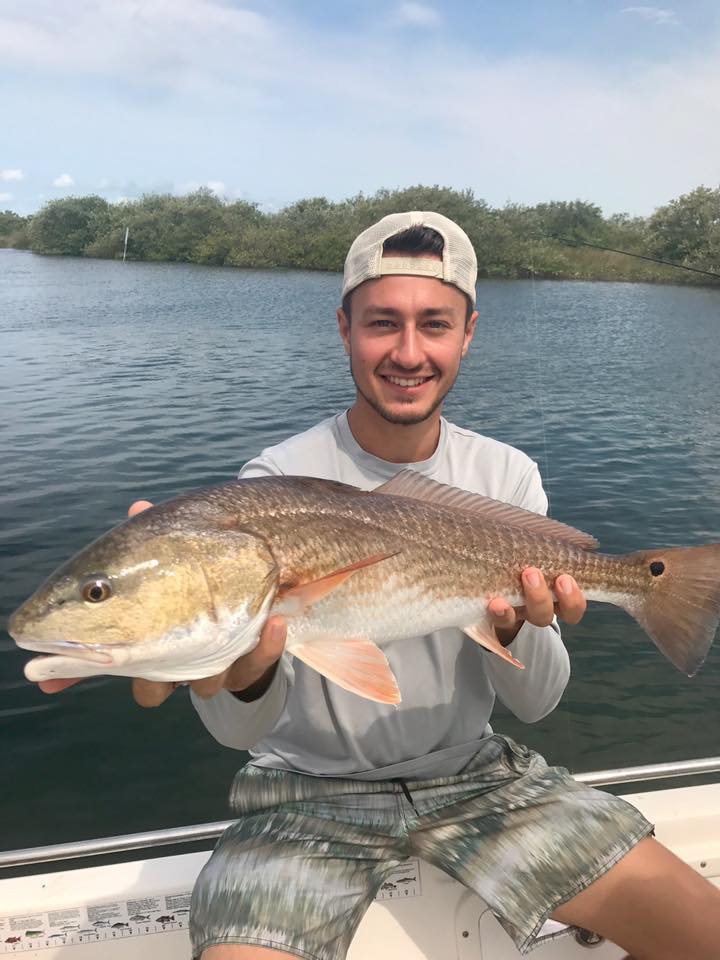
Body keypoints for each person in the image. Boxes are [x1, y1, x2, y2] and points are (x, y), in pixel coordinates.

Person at [41, 212, 720, 960]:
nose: (407, 352)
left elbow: (539, 702)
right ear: (343, 328)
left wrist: (514, 626)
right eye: (381, 323)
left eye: (434, 324)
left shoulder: (507, 478)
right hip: (305, 795)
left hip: (477, 779)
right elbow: (242, 734)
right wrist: (241, 671)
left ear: (468, 332)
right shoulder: (269, 483)